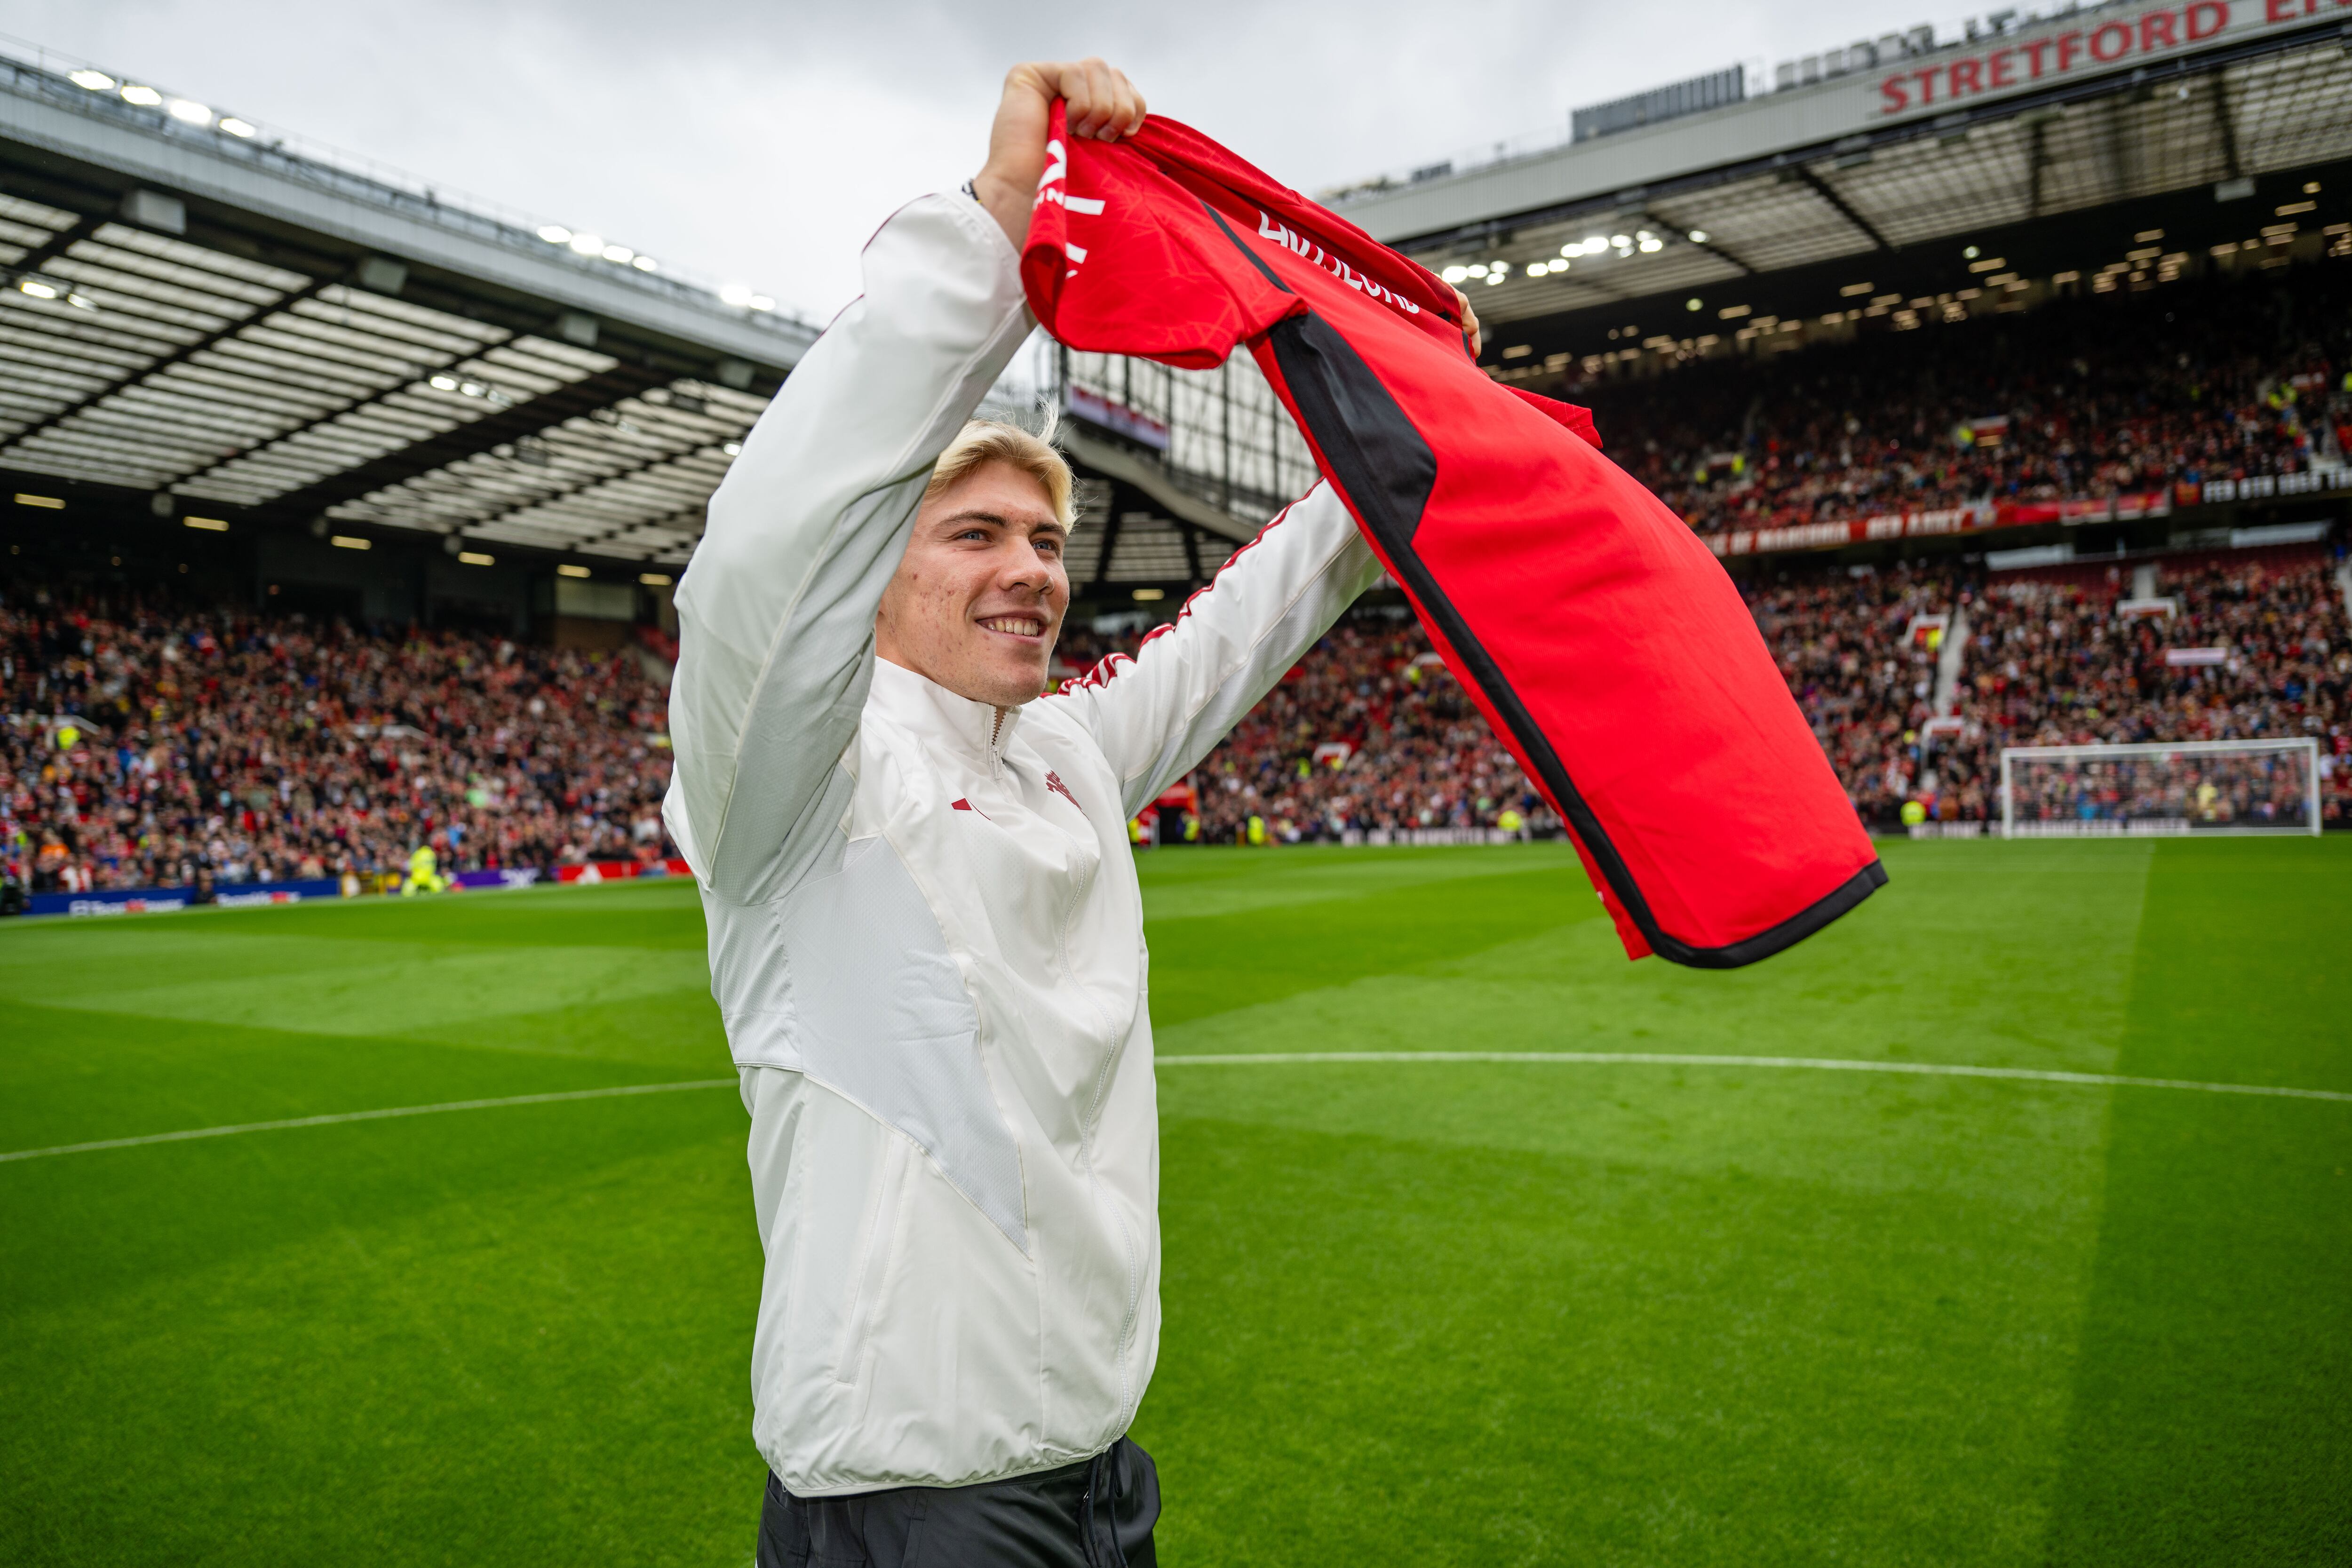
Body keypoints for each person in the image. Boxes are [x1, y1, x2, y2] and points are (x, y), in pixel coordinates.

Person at [664, 57, 1478, 1568]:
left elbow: (1238, 635)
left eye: (1047, 537)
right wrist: (988, 229)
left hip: (1101, 1475)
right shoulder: (792, 789)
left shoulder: (1070, 752)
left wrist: (1402, 437)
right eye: (975, 535)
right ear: (876, 582)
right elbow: (763, 566)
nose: (1034, 567)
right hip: (910, 1499)